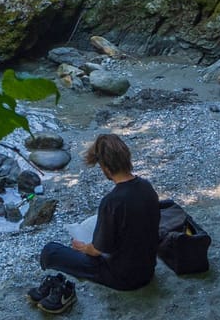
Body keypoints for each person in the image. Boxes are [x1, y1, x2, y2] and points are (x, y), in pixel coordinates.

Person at [28, 133, 159, 311]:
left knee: (51, 251)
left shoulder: (112, 201)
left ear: (105, 166)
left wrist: (83, 247)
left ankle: (66, 292)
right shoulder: (146, 187)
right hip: (147, 270)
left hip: (122, 277)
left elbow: (98, 250)